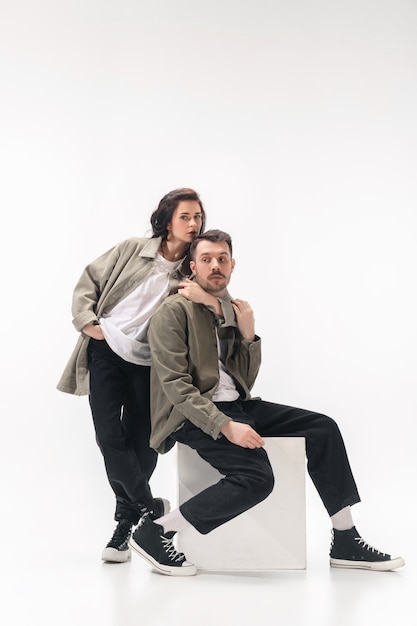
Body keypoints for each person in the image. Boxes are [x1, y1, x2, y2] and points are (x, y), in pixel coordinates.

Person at [128, 229, 405, 576]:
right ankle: (157, 531)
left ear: (233, 265)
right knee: (256, 477)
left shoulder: (230, 310)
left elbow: (244, 379)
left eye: (222, 259)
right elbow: (174, 385)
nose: (216, 265)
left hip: (237, 405)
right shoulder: (173, 311)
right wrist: (225, 425)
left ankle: (346, 538)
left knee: (323, 428)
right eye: (206, 259)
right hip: (188, 415)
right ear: (192, 267)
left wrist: (248, 335)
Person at [56, 188, 218, 563]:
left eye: (198, 218)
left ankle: (125, 526)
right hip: (107, 351)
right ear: (166, 219)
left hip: (153, 364)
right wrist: (88, 322)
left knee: (144, 443)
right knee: (109, 436)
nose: (194, 224)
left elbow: (219, 299)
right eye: (185, 217)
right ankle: (147, 509)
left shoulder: (192, 269)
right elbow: (88, 282)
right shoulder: (133, 249)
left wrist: (202, 296)